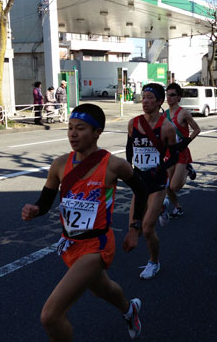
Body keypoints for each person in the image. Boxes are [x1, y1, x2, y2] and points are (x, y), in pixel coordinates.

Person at [21, 103, 147, 340]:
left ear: (97, 132)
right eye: (70, 128)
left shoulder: (113, 164)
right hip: (70, 245)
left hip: (97, 245)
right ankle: (130, 309)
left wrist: (135, 229)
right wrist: (34, 209)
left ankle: (129, 309)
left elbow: (141, 190)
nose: (73, 133)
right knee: (104, 290)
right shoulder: (60, 164)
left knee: (51, 315)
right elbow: (45, 202)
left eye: (80, 128)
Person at [126, 83, 178, 279]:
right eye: (143, 97)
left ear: (159, 102)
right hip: (139, 181)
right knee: (134, 228)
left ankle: (154, 262)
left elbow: (173, 157)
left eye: (150, 97)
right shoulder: (133, 123)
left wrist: (160, 169)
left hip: (156, 182)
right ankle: (162, 208)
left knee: (147, 228)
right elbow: (130, 149)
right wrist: (129, 169)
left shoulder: (167, 127)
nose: (145, 101)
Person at [163, 82, 201, 219]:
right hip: (169, 152)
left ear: (179, 97)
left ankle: (187, 169)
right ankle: (178, 207)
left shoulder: (183, 113)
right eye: (167, 95)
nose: (169, 98)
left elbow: (197, 129)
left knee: (174, 186)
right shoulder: (164, 114)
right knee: (166, 184)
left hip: (181, 152)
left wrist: (187, 141)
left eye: (172, 95)